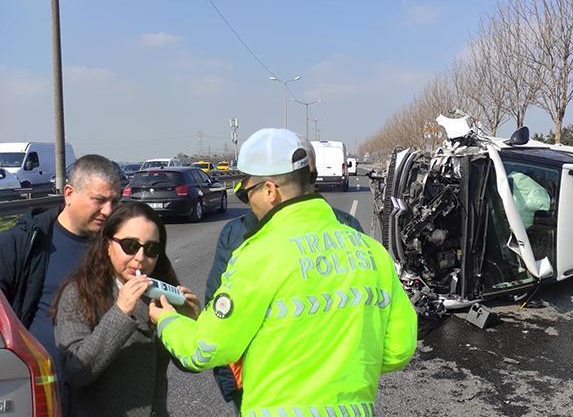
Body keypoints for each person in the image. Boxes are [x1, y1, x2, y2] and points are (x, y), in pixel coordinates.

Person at [150, 128, 417, 416]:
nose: (247, 201)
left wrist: (166, 320)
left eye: (246, 192)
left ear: (269, 191)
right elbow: (399, 349)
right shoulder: (371, 252)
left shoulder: (258, 255)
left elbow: (202, 349)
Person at [204, 138, 363, 411]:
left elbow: (204, 339)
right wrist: (234, 388)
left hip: (331, 391)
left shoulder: (347, 226)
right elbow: (215, 314)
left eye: (307, 176)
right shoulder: (237, 234)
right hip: (265, 392)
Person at [52, 201, 200, 417]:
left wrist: (189, 322)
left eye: (151, 249)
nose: (140, 258)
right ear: (107, 245)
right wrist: (121, 312)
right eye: (130, 246)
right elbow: (76, 371)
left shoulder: (160, 293)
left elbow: (190, 365)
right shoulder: (78, 293)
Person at [0, 154, 121, 372]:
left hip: (99, 389)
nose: (108, 211)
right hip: (42, 389)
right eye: (100, 200)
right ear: (69, 194)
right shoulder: (27, 240)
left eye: (115, 201)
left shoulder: (116, 244)